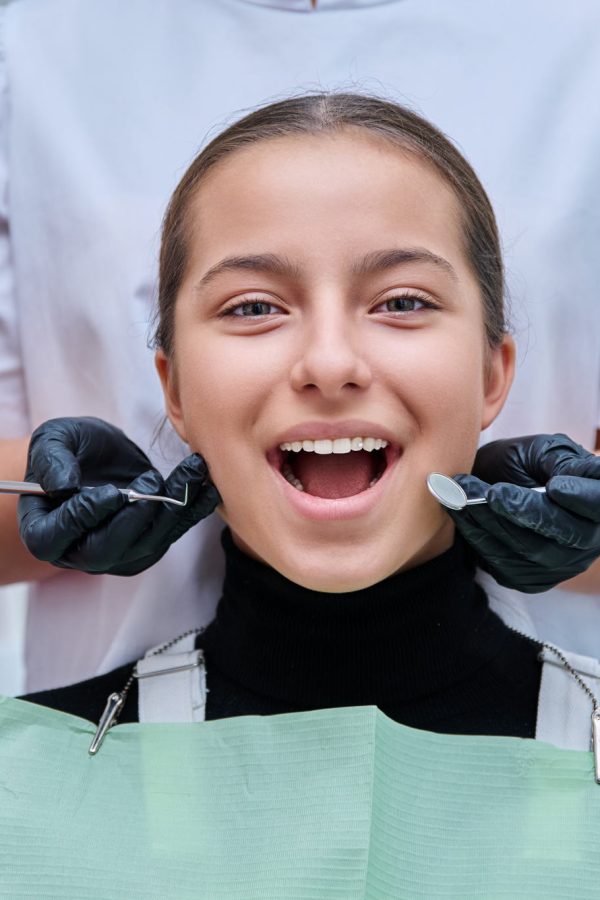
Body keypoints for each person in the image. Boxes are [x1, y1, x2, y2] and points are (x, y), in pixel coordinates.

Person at [2, 0, 600, 695]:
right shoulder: (38, 44)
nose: (329, 364)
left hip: (551, 752)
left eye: (402, 303)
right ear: (170, 386)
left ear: (496, 374)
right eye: (254, 307)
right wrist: (54, 502)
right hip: (122, 762)